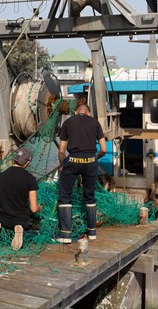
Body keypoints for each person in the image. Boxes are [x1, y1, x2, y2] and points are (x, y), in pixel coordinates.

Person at [56, 104, 106, 243]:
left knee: (65, 195)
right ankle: (91, 231)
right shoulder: (95, 123)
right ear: (89, 112)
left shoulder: (68, 122)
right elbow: (103, 149)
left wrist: (62, 164)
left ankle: (66, 234)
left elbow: (61, 150)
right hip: (90, 161)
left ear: (75, 112)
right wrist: (95, 158)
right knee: (89, 196)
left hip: (73, 160)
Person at [0, 148, 42, 251]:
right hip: (21, 219)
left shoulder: (2, 176)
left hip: (3, 217)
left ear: (15, 159)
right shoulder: (30, 178)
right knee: (33, 232)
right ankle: (21, 231)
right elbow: (33, 208)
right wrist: (40, 208)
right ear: (27, 162)